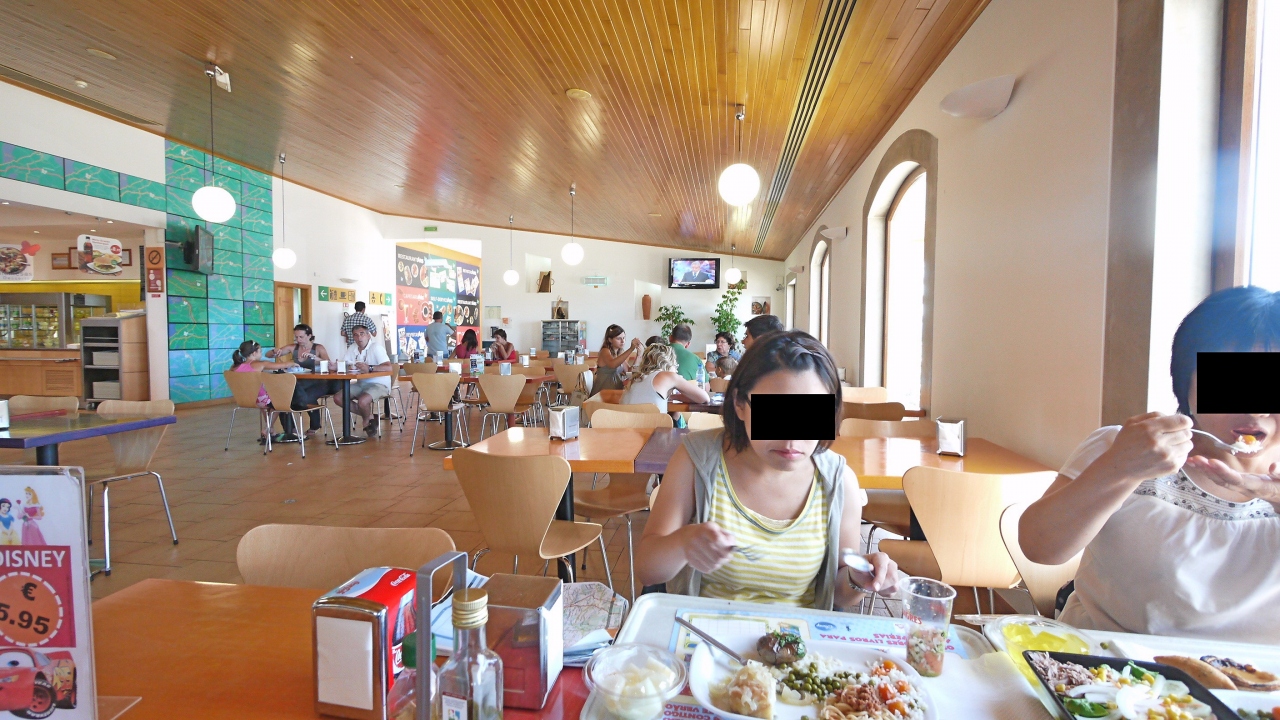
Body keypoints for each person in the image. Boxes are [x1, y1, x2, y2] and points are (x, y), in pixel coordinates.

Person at [1020, 286, 1280, 642]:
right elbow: (1040, 547)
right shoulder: (1125, 447)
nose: (1254, 408)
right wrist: (1120, 467)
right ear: (1187, 383)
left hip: (1254, 677)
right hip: (1106, 664)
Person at [635, 331, 897, 610]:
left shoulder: (838, 482)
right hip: (705, 630)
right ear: (739, 404)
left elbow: (839, 595)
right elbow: (647, 570)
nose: (791, 439)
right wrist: (683, 543)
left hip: (800, 634)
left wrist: (859, 578)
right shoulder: (697, 460)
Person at [269, 324, 339, 437]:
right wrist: (274, 351)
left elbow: (329, 365)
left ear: (309, 336)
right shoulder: (293, 347)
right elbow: (269, 355)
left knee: (301, 397)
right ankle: (290, 430)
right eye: (296, 337)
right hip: (299, 382)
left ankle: (311, 426)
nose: (298, 340)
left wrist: (315, 358)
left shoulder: (318, 348)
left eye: (301, 337)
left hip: (318, 381)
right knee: (285, 396)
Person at [232, 340, 299, 442]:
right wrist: (292, 363)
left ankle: (271, 430)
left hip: (245, 399)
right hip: (259, 399)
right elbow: (283, 365)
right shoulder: (260, 364)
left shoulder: (234, 367)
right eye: (260, 351)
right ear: (254, 353)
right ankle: (267, 428)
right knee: (281, 399)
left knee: (267, 401)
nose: (261, 354)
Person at [333, 325, 394, 436]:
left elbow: (389, 367)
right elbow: (345, 364)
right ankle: (369, 416)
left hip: (380, 384)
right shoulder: (352, 348)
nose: (359, 338)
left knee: (363, 401)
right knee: (338, 398)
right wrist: (335, 366)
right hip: (361, 383)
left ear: (368, 335)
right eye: (356, 335)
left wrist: (370, 368)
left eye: (362, 334)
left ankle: (366, 420)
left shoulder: (376, 347)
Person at [620, 343, 710, 413]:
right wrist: (674, 396)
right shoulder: (668, 376)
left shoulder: (635, 379)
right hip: (652, 430)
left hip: (626, 429)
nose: (676, 369)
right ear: (669, 363)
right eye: (675, 365)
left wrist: (671, 397)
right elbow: (704, 398)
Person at [593, 324, 643, 395]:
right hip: (603, 392)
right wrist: (631, 349)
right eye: (619, 338)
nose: (622, 341)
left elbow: (629, 373)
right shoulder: (605, 351)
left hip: (616, 391)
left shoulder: (619, 353)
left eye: (624, 338)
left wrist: (638, 356)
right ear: (610, 340)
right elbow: (613, 364)